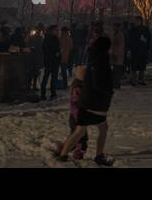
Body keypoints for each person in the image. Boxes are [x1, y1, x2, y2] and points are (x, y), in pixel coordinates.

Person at [55, 35, 115, 166]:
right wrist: (109, 91)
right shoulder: (101, 61)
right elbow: (98, 83)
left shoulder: (93, 58)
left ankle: (63, 154)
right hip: (96, 104)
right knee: (101, 129)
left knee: (81, 131)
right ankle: (98, 155)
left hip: (88, 103)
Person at [41, 24, 61, 100]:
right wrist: (57, 56)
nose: (58, 31)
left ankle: (43, 94)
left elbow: (44, 50)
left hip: (48, 61)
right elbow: (57, 51)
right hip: (53, 61)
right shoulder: (54, 39)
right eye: (56, 30)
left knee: (46, 77)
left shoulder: (46, 39)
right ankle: (52, 93)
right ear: (53, 31)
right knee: (52, 78)